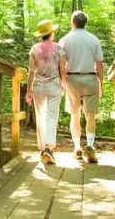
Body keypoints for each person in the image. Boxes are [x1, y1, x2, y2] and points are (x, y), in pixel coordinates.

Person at [58, 11, 104, 163]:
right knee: (90, 115)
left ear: (73, 22)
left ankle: (77, 147)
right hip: (90, 78)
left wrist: (63, 82)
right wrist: (101, 84)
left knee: (74, 114)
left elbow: (62, 65)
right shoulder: (94, 40)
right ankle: (90, 145)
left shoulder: (65, 40)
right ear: (86, 22)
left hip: (73, 79)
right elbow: (99, 64)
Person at [26, 19, 67, 164]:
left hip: (39, 86)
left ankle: (43, 148)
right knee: (51, 116)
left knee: (41, 116)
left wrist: (28, 90)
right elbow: (63, 69)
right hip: (54, 85)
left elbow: (31, 71)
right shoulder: (58, 49)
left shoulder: (34, 49)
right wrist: (64, 84)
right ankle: (49, 148)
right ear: (51, 33)